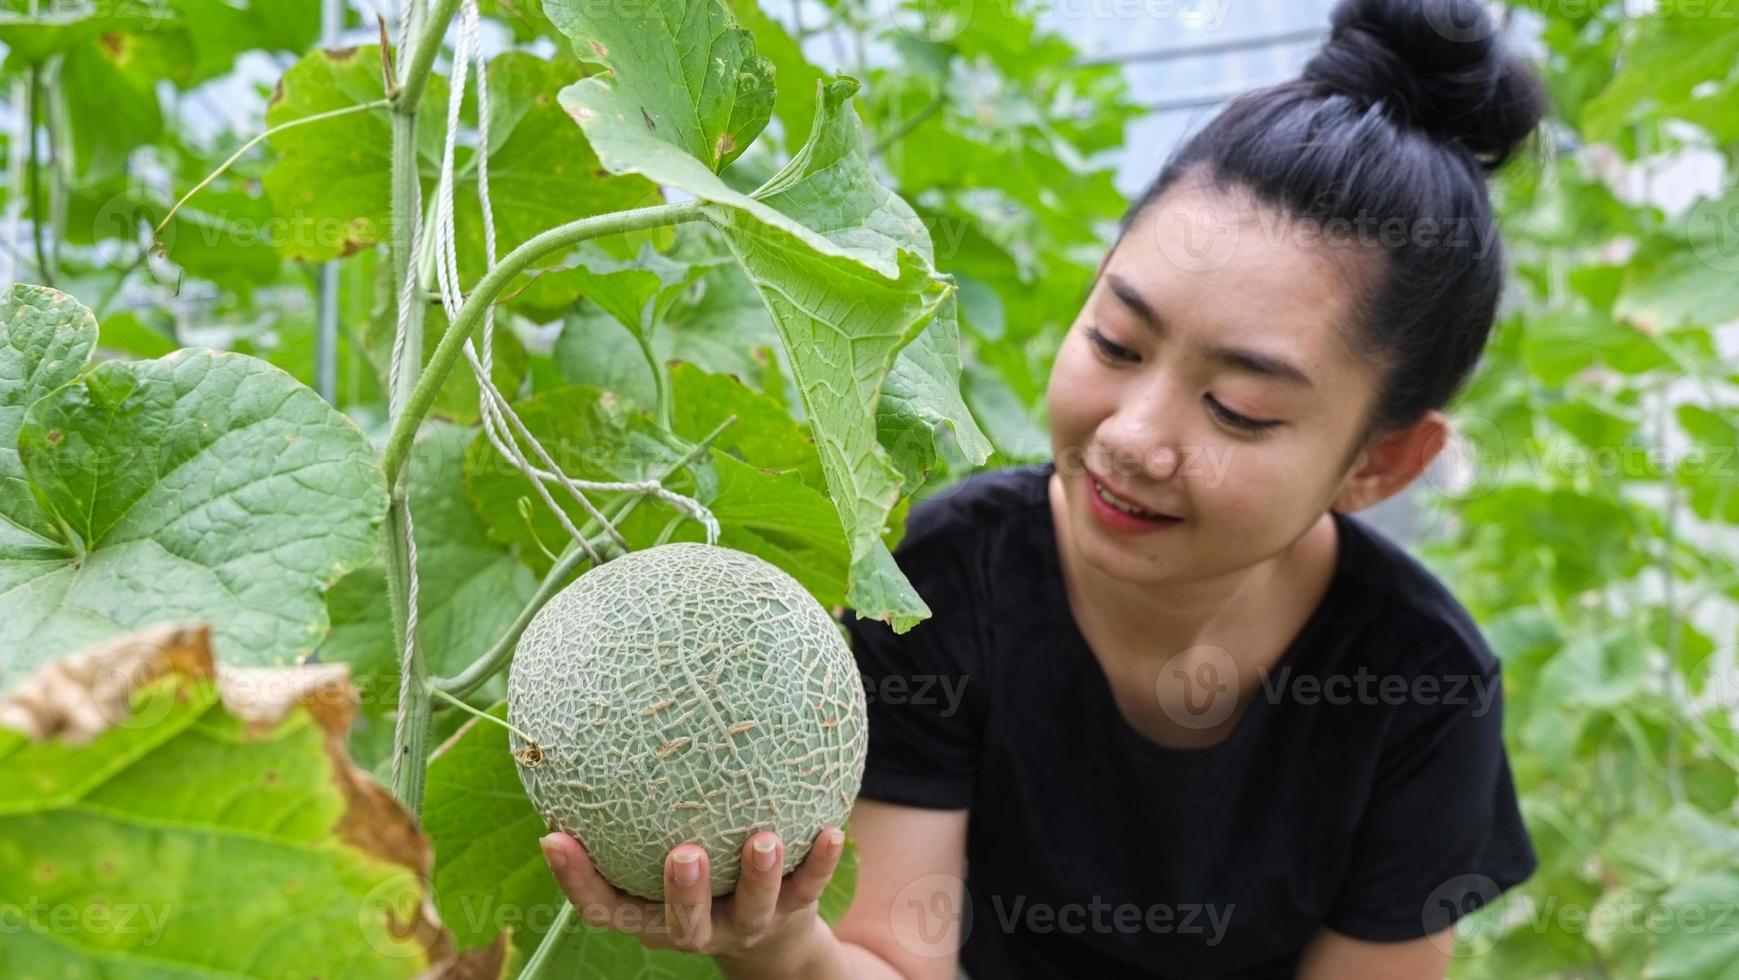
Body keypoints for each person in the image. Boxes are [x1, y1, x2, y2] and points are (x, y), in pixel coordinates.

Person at [537, 0, 1548, 975]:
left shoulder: (1422, 691)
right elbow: (897, 957)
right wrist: (773, 940)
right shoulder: (942, 580)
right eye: (1115, 340)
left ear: (1382, 462)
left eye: (1236, 407)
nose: (1133, 435)